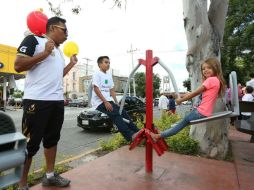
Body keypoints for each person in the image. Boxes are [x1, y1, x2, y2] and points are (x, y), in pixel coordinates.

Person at [14, 17, 77, 190]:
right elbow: (18, 66)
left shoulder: (57, 51)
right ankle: (22, 184)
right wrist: (44, 54)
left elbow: (56, 76)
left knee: (52, 140)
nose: (67, 34)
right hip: (36, 101)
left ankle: (49, 176)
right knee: (30, 144)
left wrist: (71, 64)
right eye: (64, 30)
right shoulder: (34, 40)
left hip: (56, 102)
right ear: (52, 28)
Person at [150, 57, 226, 140]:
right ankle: (163, 133)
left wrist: (181, 100)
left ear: (215, 68)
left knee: (181, 124)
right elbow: (198, 94)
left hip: (200, 112)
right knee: (181, 123)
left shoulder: (211, 80)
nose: (205, 70)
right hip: (204, 112)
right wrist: (184, 95)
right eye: (203, 69)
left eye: (209, 68)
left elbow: (195, 93)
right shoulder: (216, 80)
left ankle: (158, 136)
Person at [91, 56, 140, 142]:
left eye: (109, 63)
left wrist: (117, 102)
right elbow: (96, 88)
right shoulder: (97, 74)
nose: (108, 64)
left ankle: (137, 131)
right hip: (99, 102)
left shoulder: (109, 75)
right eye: (106, 62)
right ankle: (130, 136)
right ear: (99, 64)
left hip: (109, 101)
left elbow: (111, 90)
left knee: (123, 113)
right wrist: (105, 102)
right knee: (116, 114)